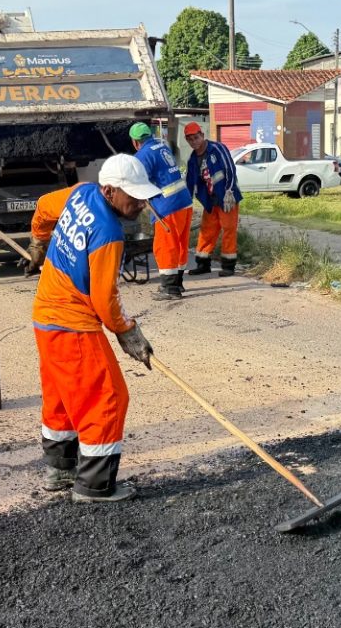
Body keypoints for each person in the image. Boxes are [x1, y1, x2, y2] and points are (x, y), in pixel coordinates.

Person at [32, 154, 160, 503]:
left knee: (62, 395)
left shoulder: (80, 193)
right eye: (132, 196)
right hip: (72, 325)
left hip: (45, 315)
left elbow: (44, 207)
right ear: (109, 190)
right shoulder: (109, 233)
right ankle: (94, 486)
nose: (140, 203)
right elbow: (105, 301)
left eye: (142, 196)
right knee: (108, 397)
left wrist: (39, 241)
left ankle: (60, 471)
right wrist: (128, 331)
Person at [130, 122, 195, 300]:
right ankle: (177, 283)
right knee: (180, 244)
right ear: (149, 135)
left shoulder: (142, 155)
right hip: (184, 201)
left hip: (169, 205)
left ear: (135, 142)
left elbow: (138, 181)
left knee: (165, 246)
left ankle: (169, 289)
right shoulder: (161, 146)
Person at [182, 123, 242, 278]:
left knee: (228, 230)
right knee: (207, 231)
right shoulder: (192, 160)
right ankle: (203, 264)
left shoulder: (217, 149)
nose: (194, 141)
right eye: (190, 139)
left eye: (196, 137)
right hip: (210, 201)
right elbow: (190, 183)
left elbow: (230, 169)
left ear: (202, 135)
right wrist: (186, 203)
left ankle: (228, 266)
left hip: (226, 198)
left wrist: (229, 191)